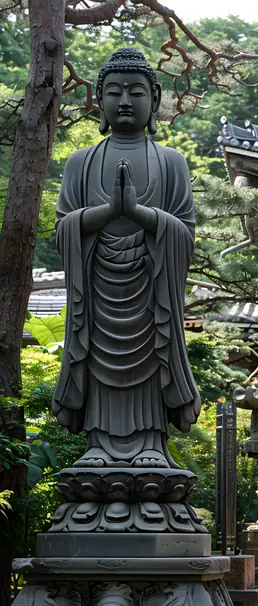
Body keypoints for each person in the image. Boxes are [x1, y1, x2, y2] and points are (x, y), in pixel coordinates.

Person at [52, 48, 201, 469]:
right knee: (97, 358)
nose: (123, 101)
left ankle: (152, 443)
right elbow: (64, 228)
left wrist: (138, 213)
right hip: (95, 290)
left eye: (135, 92)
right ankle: (97, 442)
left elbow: (185, 234)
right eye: (113, 92)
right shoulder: (80, 162)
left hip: (152, 289)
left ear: (154, 99)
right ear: (99, 99)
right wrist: (108, 212)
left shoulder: (171, 162)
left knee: (154, 352)